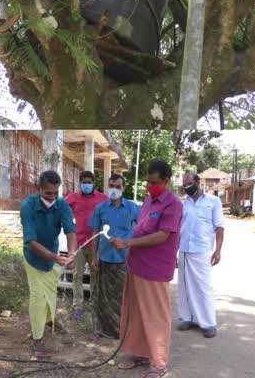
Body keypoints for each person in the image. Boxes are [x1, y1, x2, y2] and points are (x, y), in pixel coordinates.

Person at [110, 159, 182, 378]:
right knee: (137, 313)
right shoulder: (149, 200)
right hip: (137, 264)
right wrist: (124, 242)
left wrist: (128, 243)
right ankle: (140, 352)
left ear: (166, 180)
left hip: (155, 268)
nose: (150, 186)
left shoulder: (173, 204)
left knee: (155, 315)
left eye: (155, 182)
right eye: (148, 181)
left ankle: (159, 363)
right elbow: (141, 230)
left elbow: (162, 236)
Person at [21, 170, 77, 359]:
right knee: (37, 297)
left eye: (55, 193)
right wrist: (54, 257)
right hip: (33, 257)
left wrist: (71, 254)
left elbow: (70, 232)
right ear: (40, 190)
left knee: (50, 294)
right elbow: (30, 241)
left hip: (52, 256)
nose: (52, 197)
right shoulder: (28, 206)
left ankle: (48, 321)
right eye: (48, 194)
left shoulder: (62, 205)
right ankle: (37, 340)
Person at [88, 173, 141, 338]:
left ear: (123, 188)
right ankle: (103, 330)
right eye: (111, 186)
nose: (114, 190)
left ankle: (123, 329)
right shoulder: (100, 209)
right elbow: (95, 233)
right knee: (101, 297)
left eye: (118, 186)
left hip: (125, 260)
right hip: (105, 258)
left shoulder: (133, 208)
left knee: (123, 296)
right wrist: (94, 256)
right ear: (107, 187)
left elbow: (140, 232)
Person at [177, 172, 225, 338]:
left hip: (202, 251)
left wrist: (217, 250)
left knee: (204, 287)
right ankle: (187, 318)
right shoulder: (184, 204)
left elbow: (219, 227)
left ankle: (208, 323)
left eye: (189, 183)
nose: (186, 186)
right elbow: (178, 229)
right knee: (184, 287)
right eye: (184, 184)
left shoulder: (213, 202)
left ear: (198, 182)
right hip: (184, 250)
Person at [65, 171, 109, 320]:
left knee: (95, 276)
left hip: (96, 243)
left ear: (93, 183)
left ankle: (95, 304)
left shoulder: (103, 199)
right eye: (84, 182)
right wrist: (69, 227)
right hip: (79, 243)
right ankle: (77, 306)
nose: (86, 185)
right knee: (77, 276)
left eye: (89, 182)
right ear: (80, 183)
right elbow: (62, 209)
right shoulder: (73, 198)